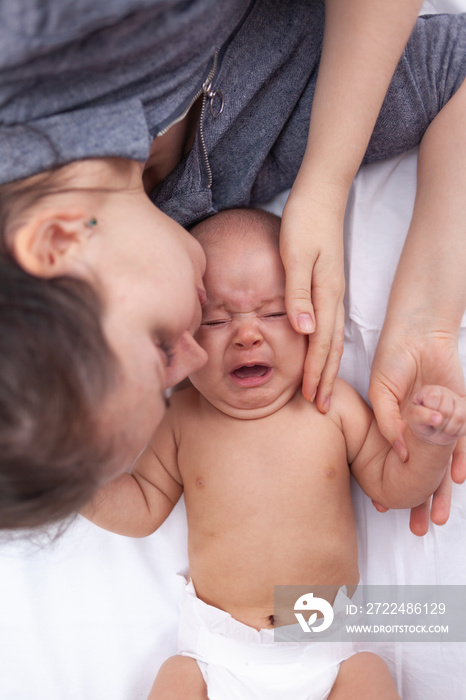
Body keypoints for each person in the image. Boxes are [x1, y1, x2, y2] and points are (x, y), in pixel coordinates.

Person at [1, 0, 466, 530]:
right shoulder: (224, 185)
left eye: (159, 345)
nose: (196, 358)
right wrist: (426, 322)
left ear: (56, 243)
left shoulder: (34, 33)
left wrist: (328, 182)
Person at [84, 209, 466, 700]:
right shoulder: (181, 418)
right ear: (183, 338)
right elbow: (140, 507)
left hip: (326, 643)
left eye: (272, 312)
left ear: (314, 318)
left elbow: (397, 486)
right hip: (214, 653)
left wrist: (430, 442)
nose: (247, 334)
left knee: (370, 674)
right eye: (216, 319)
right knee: (174, 679)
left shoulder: (331, 405)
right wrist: (74, 482)